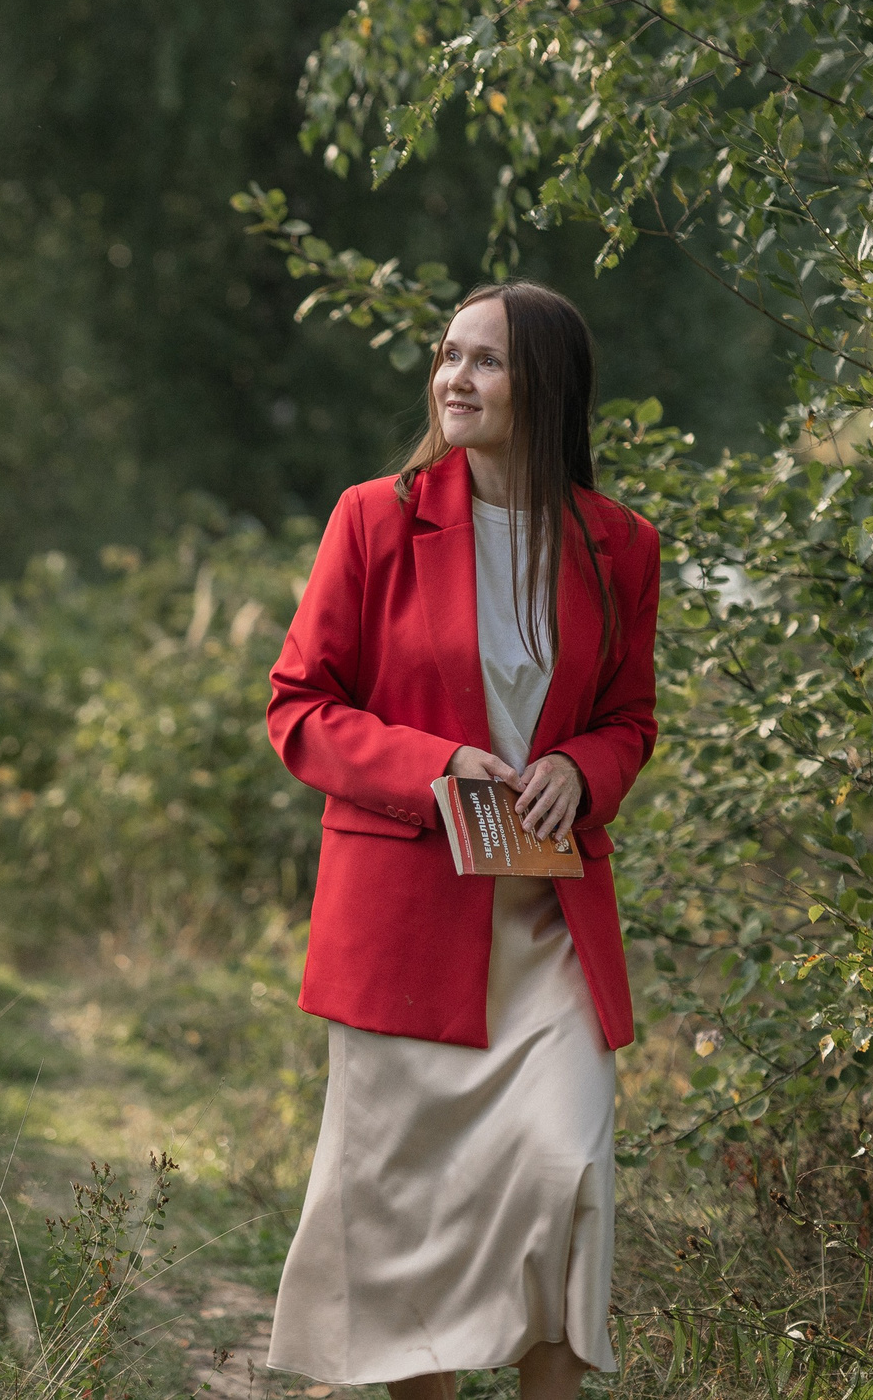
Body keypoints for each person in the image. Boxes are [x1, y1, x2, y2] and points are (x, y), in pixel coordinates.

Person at [262, 280, 661, 1400]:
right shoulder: (373, 517)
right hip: (405, 926)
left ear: (546, 385)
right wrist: (433, 769)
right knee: (404, 1212)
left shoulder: (621, 547)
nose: (454, 379)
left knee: (565, 1169)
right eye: (448, 356)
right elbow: (299, 707)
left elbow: (629, 721)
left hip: (548, 929)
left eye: (484, 361)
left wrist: (580, 772)